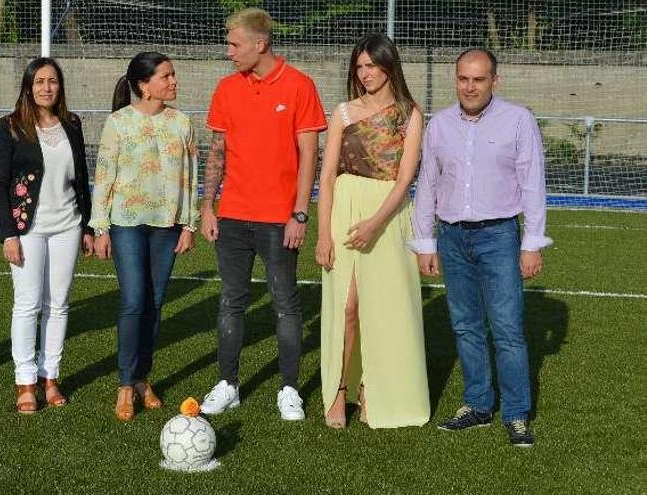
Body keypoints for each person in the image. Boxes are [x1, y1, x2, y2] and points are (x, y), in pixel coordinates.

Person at [411, 48, 552, 447]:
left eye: (478, 79)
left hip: (499, 236)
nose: (469, 87)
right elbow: (428, 185)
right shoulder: (438, 126)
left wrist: (532, 243)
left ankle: (517, 413)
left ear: (495, 81)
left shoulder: (518, 120)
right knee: (466, 326)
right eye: (463, 79)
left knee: (507, 329)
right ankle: (477, 405)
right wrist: (425, 242)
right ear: (455, 79)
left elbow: (532, 184)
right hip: (453, 237)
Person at [199, 7, 327, 421]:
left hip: (279, 220)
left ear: (261, 43)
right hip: (233, 216)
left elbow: (310, 154)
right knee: (231, 302)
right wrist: (207, 205)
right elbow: (217, 151)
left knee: (286, 305)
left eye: (235, 44)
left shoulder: (300, 86)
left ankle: (289, 389)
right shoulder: (225, 89)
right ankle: (228, 384)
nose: (229, 51)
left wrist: (299, 213)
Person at [315, 33, 430, 429]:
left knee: (386, 307)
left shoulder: (410, 113)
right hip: (345, 210)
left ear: (389, 65)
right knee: (346, 308)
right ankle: (339, 391)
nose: (365, 74)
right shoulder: (343, 113)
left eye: (372, 65)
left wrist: (375, 223)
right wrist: (324, 235)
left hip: (389, 215)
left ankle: (374, 390)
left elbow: (405, 179)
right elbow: (326, 177)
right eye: (359, 67)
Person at [90, 52, 199, 422]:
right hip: (126, 223)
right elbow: (104, 175)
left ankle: (141, 379)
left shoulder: (183, 123)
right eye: (166, 76)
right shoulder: (118, 123)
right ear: (144, 84)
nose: (173, 82)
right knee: (134, 301)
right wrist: (99, 227)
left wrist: (189, 224)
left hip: (167, 226)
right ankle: (124, 384)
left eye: (173, 75)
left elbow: (191, 176)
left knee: (154, 303)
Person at [0, 58, 94, 414]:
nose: (46, 87)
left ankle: (51, 378)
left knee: (59, 303)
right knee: (28, 304)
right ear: (28, 86)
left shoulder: (72, 124)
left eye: (52, 81)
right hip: (27, 229)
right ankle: (25, 382)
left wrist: (88, 226)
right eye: (39, 81)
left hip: (68, 225)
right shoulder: (11, 126)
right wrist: (8, 234)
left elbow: (81, 179)